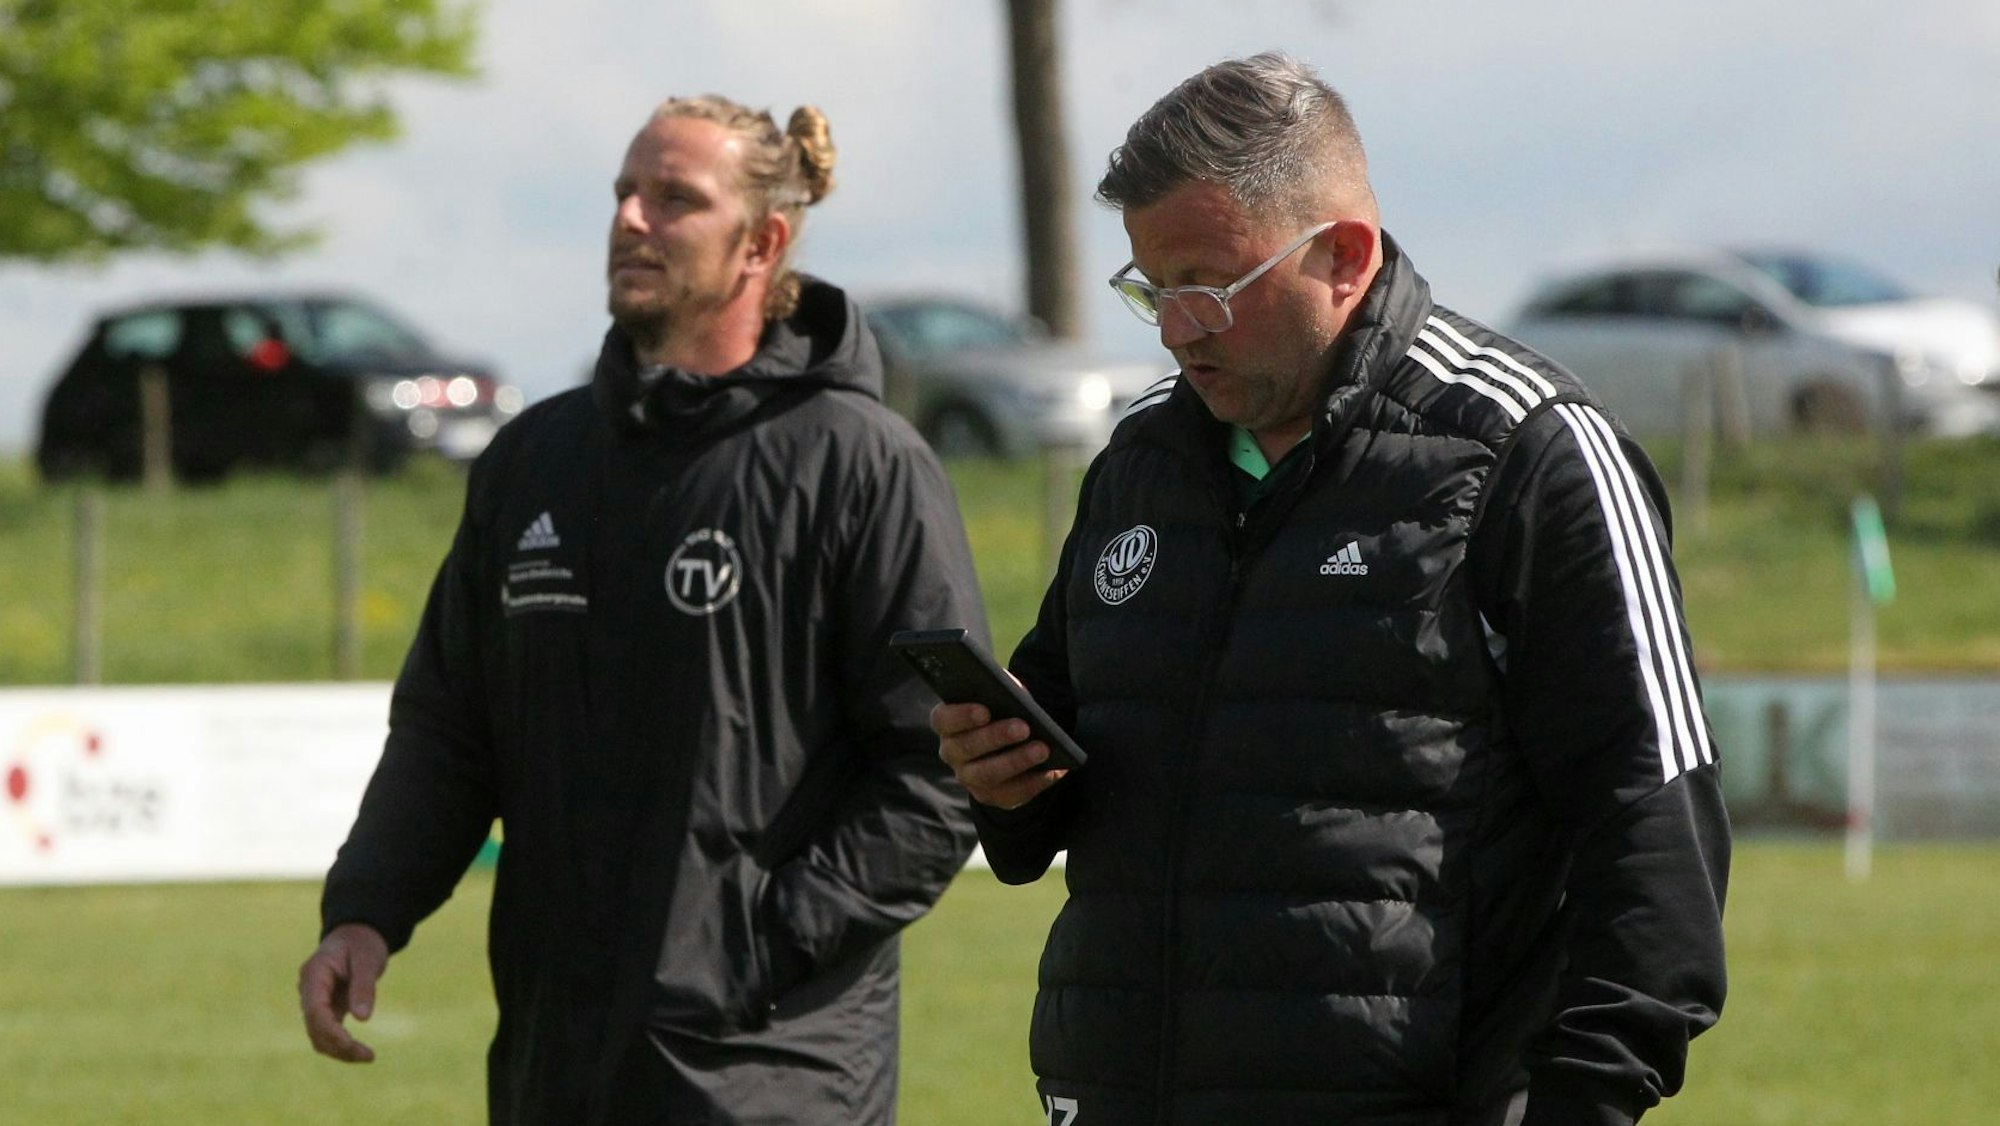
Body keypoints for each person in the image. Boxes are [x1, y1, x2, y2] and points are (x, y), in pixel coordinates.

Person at [934, 52, 1729, 1126]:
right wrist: (1004, 783)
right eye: (1151, 290)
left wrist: (1580, 1106)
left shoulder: (1524, 452)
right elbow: (1074, 781)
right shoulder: (1139, 463)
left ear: (1342, 257)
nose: (1174, 328)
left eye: (1205, 287)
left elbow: (1653, 831)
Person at [299, 94, 989, 1125]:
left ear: (761, 242)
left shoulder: (860, 462)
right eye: (626, 191)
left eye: (674, 199)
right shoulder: (535, 461)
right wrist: (365, 913)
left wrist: (759, 942)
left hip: (772, 1071)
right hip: (559, 1063)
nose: (631, 218)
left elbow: (938, 766)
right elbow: (450, 729)